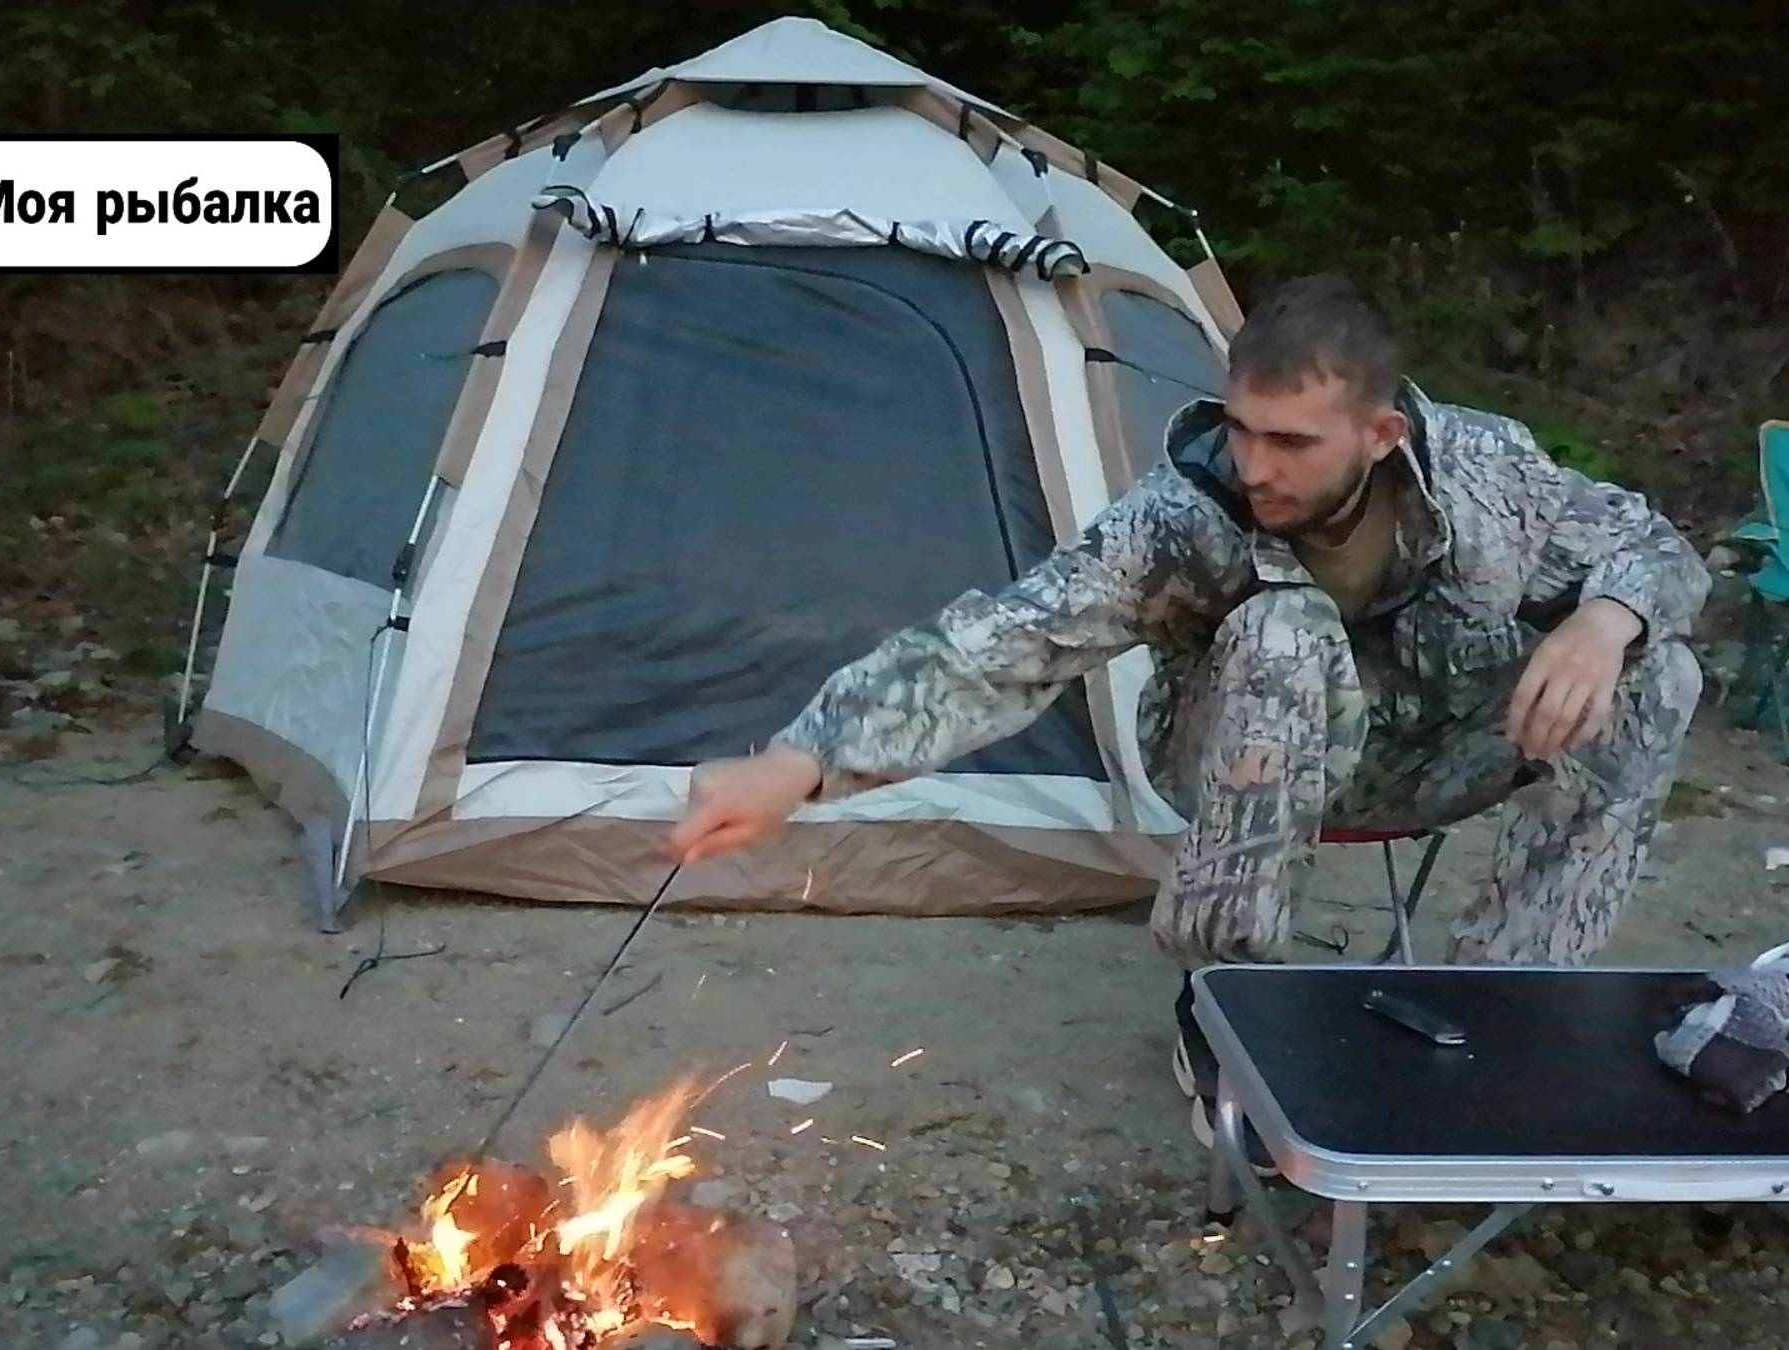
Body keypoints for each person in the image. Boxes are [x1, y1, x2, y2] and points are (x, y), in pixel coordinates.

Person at [668, 273, 1709, 1152]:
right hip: (1237, 754)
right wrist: (800, 763)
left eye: (1292, 442)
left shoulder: (1486, 470)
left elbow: (1651, 543)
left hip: (1436, 745)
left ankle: (1507, 1000)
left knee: (1656, 670)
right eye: (1242, 428)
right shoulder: (1182, 516)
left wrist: (1603, 622)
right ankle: (1227, 1003)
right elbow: (1003, 644)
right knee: (1281, 630)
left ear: (1381, 434)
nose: (1255, 466)